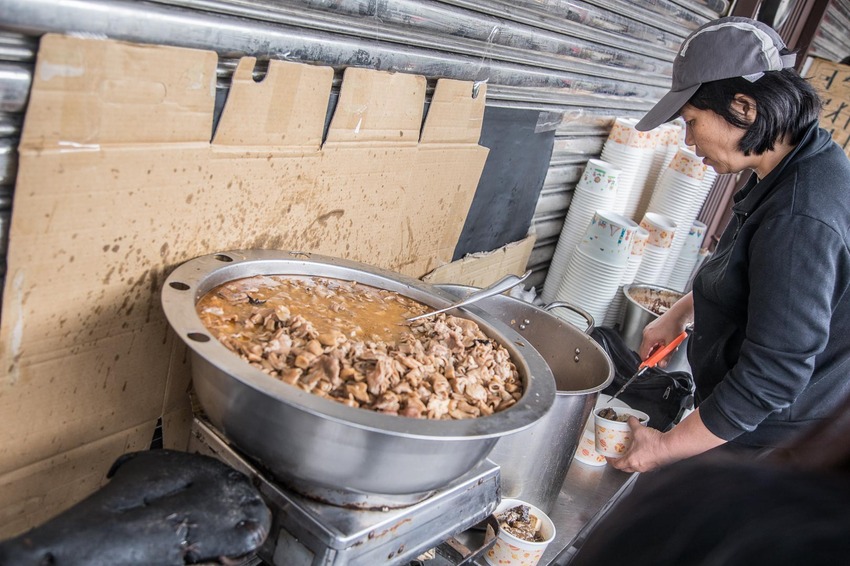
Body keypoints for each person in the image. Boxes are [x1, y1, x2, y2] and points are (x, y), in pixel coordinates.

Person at [608, 16, 850, 473]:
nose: (689, 140)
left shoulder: (799, 216)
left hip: (769, 445)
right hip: (751, 422)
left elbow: (775, 376)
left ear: (744, 107)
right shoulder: (798, 162)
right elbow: (748, 271)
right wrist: (679, 312)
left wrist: (662, 448)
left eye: (692, 121)